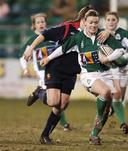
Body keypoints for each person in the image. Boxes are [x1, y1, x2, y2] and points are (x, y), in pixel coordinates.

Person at [40, 10, 128, 145]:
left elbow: (121, 50)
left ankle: (94, 135)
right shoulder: (78, 37)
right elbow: (63, 49)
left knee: (108, 105)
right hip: (89, 75)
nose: (93, 25)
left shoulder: (103, 35)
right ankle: (99, 115)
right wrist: (48, 58)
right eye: (90, 22)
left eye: (96, 23)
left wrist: (107, 58)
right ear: (85, 23)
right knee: (105, 92)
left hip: (106, 74)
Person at [23, 6, 95, 144]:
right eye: (89, 20)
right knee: (53, 102)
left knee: (62, 104)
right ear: (83, 19)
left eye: (94, 21)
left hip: (71, 72)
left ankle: (45, 136)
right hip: (55, 68)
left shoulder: (92, 34)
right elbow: (44, 35)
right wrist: (31, 48)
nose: (92, 23)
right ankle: (39, 92)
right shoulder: (67, 28)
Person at [19, 13, 71, 132]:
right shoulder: (32, 41)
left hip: (55, 70)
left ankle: (62, 122)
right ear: (34, 25)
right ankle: (39, 93)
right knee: (54, 99)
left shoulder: (51, 36)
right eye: (38, 22)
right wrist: (25, 69)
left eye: (43, 21)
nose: (41, 24)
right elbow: (23, 57)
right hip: (42, 72)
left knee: (58, 99)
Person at [99, 11, 128, 133]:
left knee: (119, 97)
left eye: (113, 20)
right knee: (113, 95)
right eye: (108, 19)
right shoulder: (100, 34)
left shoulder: (124, 34)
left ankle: (112, 110)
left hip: (123, 68)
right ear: (104, 21)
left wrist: (124, 57)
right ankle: (123, 123)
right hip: (109, 69)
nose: (111, 22)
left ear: (117, 21)